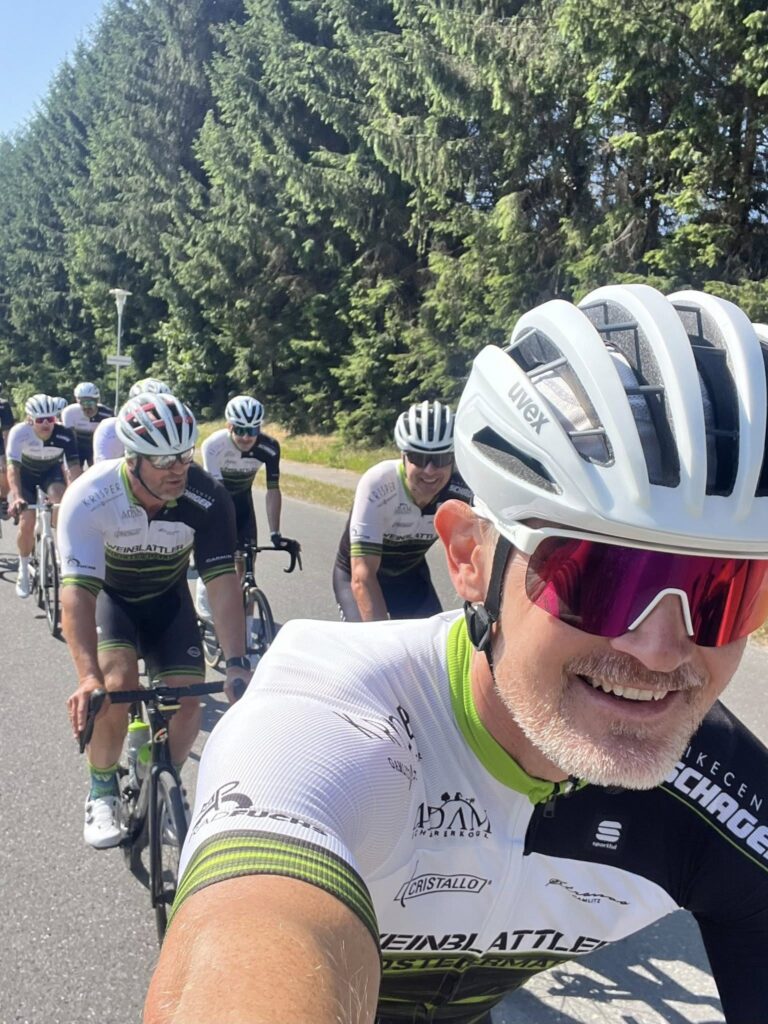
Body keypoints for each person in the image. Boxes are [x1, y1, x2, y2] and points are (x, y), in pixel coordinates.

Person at [146, 285, 768, 1024]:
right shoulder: (327, 726)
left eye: (729, 593)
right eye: (598, 580)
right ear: (471, 556)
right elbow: (253, 934)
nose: (661, 652)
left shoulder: (726, 788)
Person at [58, 392, 249, 850]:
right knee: (114, 690)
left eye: (184, 454)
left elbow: (222, 583)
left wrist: (237, 662)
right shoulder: (90, 496)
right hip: (114, 602)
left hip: (169, 602)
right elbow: (78, 594)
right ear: (132, 458)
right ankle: (102, 789)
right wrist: (87, 677)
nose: (177, 468)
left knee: (189, 702)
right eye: (162, 459)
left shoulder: (207, 496)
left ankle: (166, 782)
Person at [333, 400, 471, 621]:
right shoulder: (379, 484)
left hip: (409, 577)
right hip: (358, 574)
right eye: (419, 458)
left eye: (441, 458)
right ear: (403, 456)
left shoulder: (463, 489)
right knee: (371, 641)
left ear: (453, 459)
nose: (430, 470)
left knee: (432, 642)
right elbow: (363, 576)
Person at [195, 395, 298, 625]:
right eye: (240, 430)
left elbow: (273, 490)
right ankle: (205, 590)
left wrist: (275, 532)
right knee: (218, 558)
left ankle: (248, 629)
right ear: (228, 426)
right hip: (218, 501)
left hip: (243, 503)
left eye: (252, 430)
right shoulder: (214, 445)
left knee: (247, 568)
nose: (246, 437)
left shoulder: (269, 447)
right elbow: (218, 493)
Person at [6, 394, 82, 598]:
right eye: (41, 420)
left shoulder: (65, 434)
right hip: (26, 476)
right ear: (30, 420)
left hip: (50, 473)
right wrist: (17, 497)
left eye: (51, 419)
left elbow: (74, 468)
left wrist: (78, 495)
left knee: (60, 499)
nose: (47, 424)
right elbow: (13, 469)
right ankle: (23, 567)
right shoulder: (19, 433)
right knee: (27, 521)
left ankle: (57, 545)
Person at [92, 378, 171, 463]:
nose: (152, 414)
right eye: (146, 406)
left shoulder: (175, 429)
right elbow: (103, 465)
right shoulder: (111, 428)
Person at [61, 381, 113, 467]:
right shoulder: (69, 412)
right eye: (83, 403)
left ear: (97, 401)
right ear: (77, 401)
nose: (87, 407)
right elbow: (70, 440)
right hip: (76, 446)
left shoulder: (107, 414)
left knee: (98, 470)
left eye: (91, 403)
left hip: (96, 444)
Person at [0, 383, 14, 517]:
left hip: (0, 444)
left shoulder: (3, 406)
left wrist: (5, 456)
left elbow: (7, 433)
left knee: (5, 471)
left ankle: (2, 499)